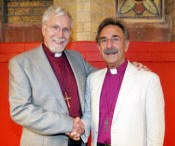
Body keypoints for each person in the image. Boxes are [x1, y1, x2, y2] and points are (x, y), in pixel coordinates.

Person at [9, 5, 150, 146]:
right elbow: (19, 110)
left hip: (79, 142)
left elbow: (102, 76)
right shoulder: (22, 63)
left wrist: (127, 69)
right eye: (55, 28)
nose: (60, 35)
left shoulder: (76, 58)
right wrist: (68, 124)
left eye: (65, 30)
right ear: (43, 29)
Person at [81, 18, 165, 146]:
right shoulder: (93, 79)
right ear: (99, 47)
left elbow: (155, 132)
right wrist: (78, 128)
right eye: (104, 40)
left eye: (115, 39)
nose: (109, 45)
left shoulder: (148, 80)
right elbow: (88, 115)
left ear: (126, 44)